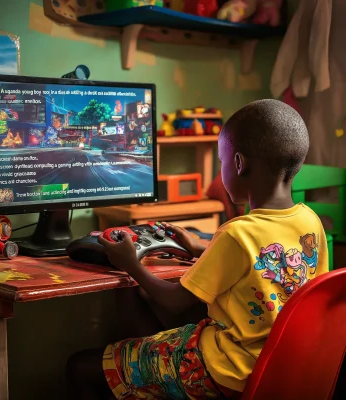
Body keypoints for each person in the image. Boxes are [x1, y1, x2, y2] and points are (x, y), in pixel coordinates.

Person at [66, 99, 329, 399]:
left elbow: (175, 300)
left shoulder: (236, 233)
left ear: (239, 164)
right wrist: (200, 245)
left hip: (225, 371)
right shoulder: (310, 221)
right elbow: (267, 256)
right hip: (278, 365)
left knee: (80, 367)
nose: (222, 168)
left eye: (222, 160)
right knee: (169, 327)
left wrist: (131, 264)